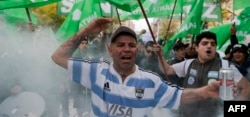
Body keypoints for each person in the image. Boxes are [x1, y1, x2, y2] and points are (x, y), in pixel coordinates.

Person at [51, 18, 234, 117]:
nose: (126, 49)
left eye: (131, 45)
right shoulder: (95, 71)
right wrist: (85, 31)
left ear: (136, 49)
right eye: (120, 45)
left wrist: (206, 92)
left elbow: (181, 96)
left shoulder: (150, 81)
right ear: (110, 49)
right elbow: (57, 57)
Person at [158, 31, 250, 117]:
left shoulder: (226, 65)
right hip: (187, 114)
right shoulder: (188, 63)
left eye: (213, 44)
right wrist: (160, 55)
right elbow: (167, 70)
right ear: (197, 48)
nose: (209, 46)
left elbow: (246, 87)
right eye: (205, 43)